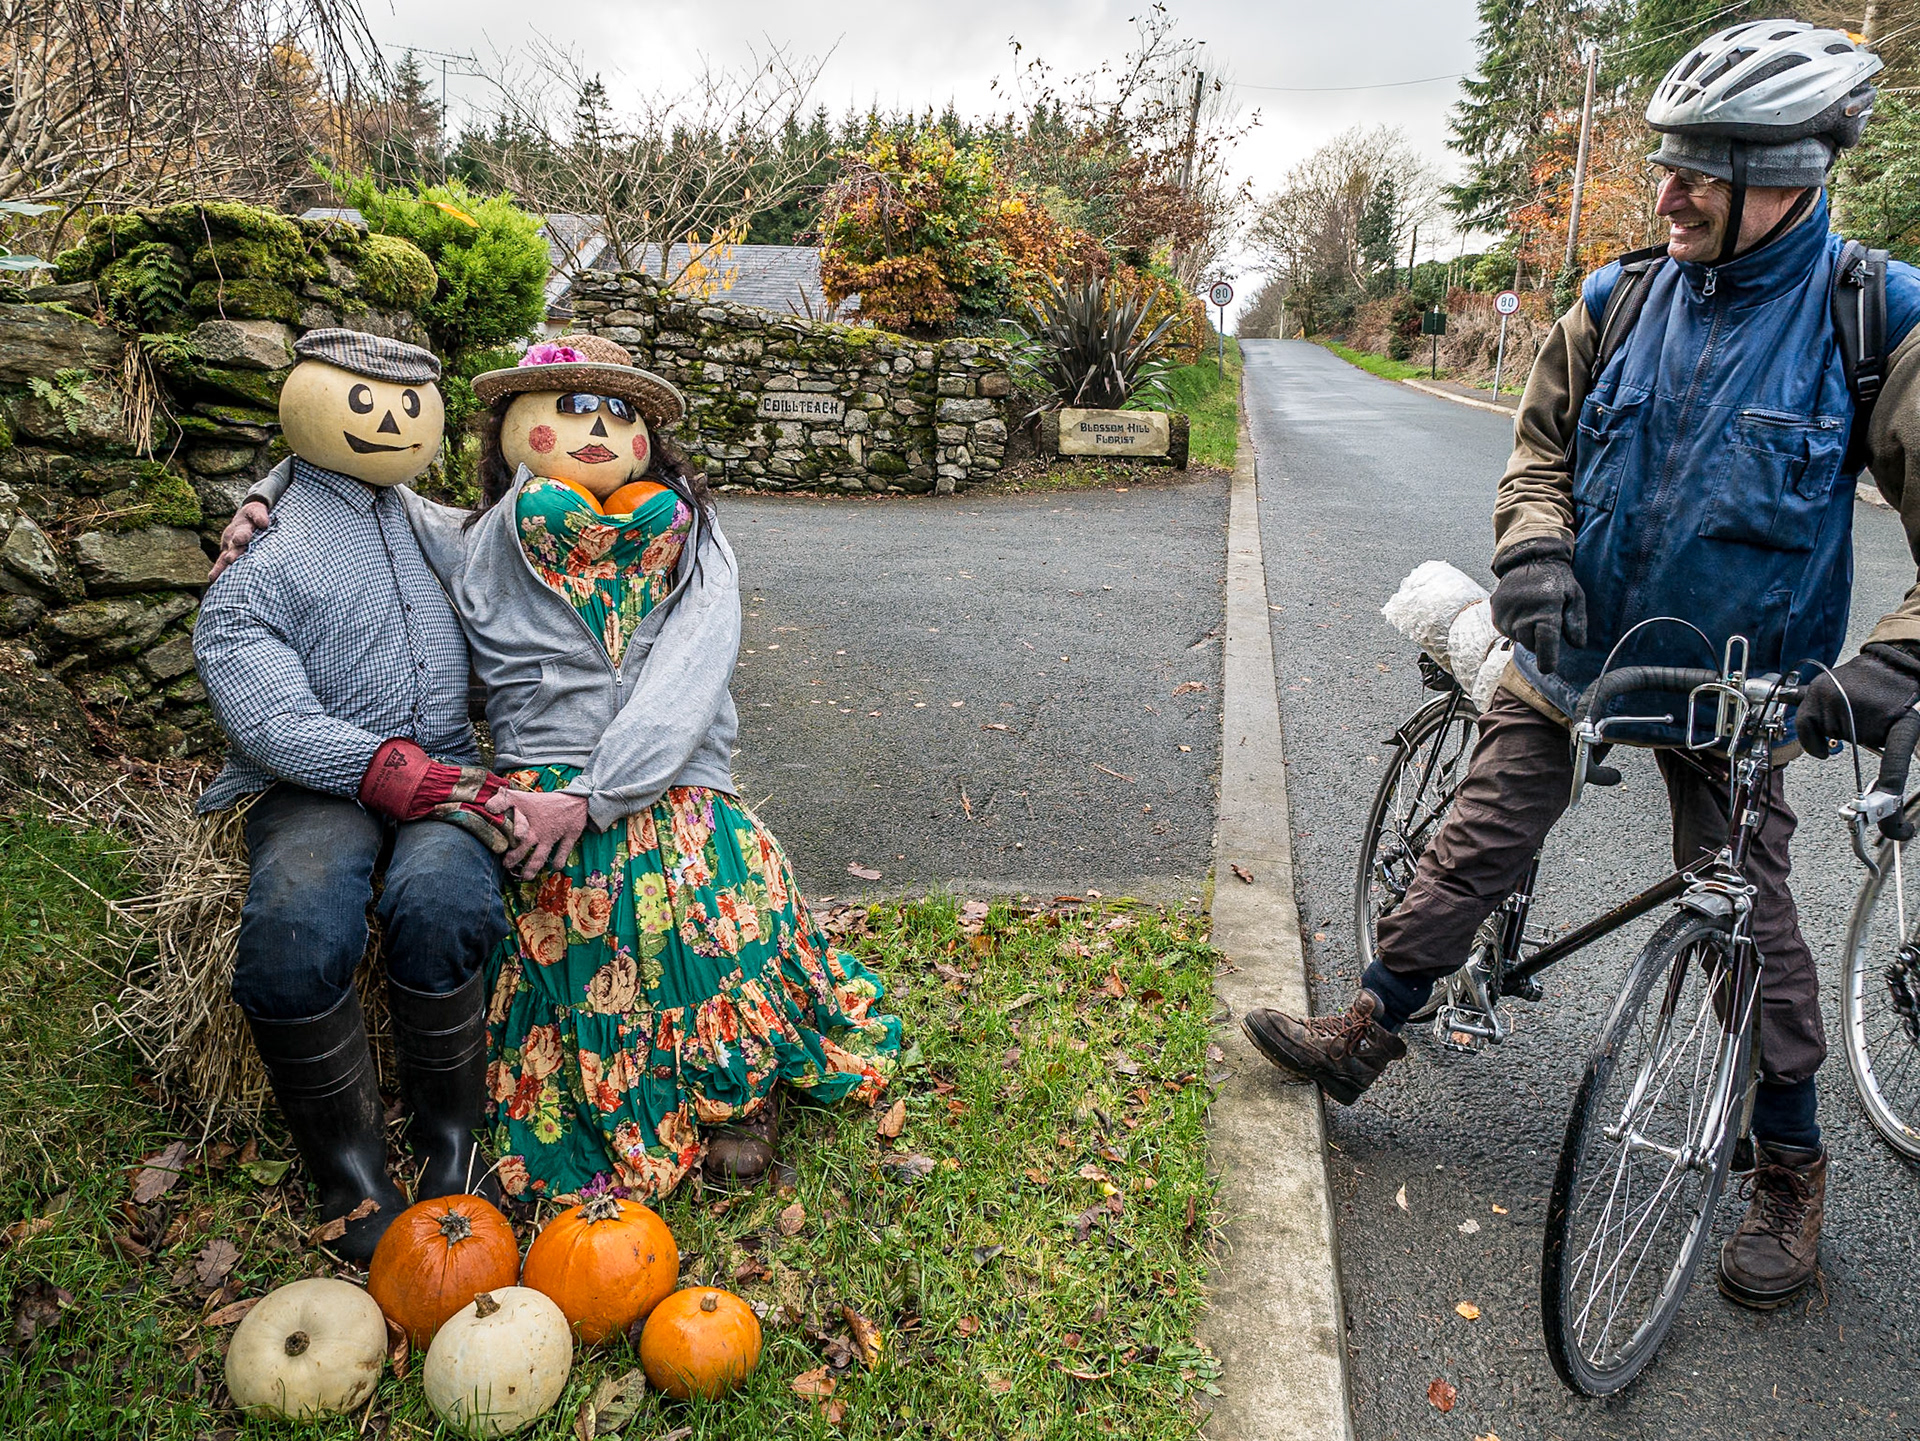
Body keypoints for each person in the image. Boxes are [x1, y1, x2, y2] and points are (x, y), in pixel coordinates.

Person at [1241, 21, 1920, 1311]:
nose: (1665, 192)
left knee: (1748, 911)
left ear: (1787, 177)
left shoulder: (1873, 319)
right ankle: (1372, 1025)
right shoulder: (1617, 299)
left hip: (1745, 685)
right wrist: (1534, 547)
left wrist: (1884, 673)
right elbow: (1538, 446)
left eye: (1699, 171)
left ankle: (1789, 1163)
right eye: (1666, 163)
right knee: (1486, 824)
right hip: (1578, 649)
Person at [217, 334, 900, 1204]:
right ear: (509, 431)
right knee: (569, 907)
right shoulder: (473, 536)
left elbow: (693, 671)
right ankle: (541, 1102)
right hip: (539, 776)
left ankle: (738, 1083)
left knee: (702, 890)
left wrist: (599, 791)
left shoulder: (700, 536)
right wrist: (265, 491)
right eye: (568, 409)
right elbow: (366, 485)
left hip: (670, 769)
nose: (597, 429)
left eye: (621, 413)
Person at [194, 330, 511, 1263]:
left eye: (409, 402)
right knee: (296, 926)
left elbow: (537, 532)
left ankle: (452, 1145)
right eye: (364, 399)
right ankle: (352, 1174)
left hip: (447, 763)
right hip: (314, 785)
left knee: (449, 901)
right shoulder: (267, 558)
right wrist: (269, 491)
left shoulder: (436, 528)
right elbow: (266, 718)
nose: (387, 419)